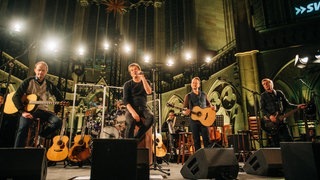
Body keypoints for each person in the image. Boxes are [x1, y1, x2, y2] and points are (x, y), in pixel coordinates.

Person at [13, 61, 64, 147]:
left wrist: (57, 109)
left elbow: (60, 98)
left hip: (43, 111)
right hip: (28, 111)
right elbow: (16, 96)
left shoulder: (49, 85)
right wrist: (22, 112)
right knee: (23, 128)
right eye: (39, 70)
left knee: (58, 122)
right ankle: (16, 151)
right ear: (35, 70)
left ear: (46, 72)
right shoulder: (28, 81)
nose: (41, 72)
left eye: (43, 70)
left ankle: (41, 135)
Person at [260, 78, 306, 147]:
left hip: (282, 121)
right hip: (272, 124)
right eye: (264, 84)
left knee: (289, 140)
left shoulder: (279, 93)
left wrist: (297, 106)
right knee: (276, 143)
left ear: (271, 84)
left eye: (267, 83)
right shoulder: (263, 96)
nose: (265, 85)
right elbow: (262, 109)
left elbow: (287, 104)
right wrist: (270, 116)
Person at [182, 77, 215, 151]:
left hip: (205, 120)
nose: (194, 84)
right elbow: (183, 109)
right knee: (196, 140)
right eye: (193, 83)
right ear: (191, 84)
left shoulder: (204, 94)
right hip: (194, 121)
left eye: (196, 83)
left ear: (199, 85)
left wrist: (213, 107)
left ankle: (208, 158)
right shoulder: (188, 96)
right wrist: (185, 112)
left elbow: (209, 105)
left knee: (207, 139)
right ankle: (199, 159)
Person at [123, 63, 154, 140]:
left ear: (139, 70)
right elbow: (125, 100)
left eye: (135, 69)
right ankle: (127, 143)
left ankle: (136, 139)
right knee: (131, 122)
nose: (134, 71)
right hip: (131, 108)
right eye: (131, 70)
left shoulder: (146, 82)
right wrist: (133, 113)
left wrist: (143, 78)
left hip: (143, 108)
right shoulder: (127, 84)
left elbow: (149, 92)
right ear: (130, 73)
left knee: (151, 117)